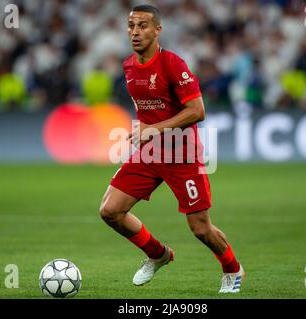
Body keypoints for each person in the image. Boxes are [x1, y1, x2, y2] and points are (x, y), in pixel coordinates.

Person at [99, 5, 244, 293]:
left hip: (182, 154)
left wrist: (155, 129)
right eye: (131, 26)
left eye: (142, 26)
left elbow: (197, 111)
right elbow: (149, 107)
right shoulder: (128, 66)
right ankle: (158, 254)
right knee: (110, 211)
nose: (136, 32)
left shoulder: (173, 64)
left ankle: (232, 268)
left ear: (157, 30)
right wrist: (145, 130)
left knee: (201, 229)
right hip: (149, 153)